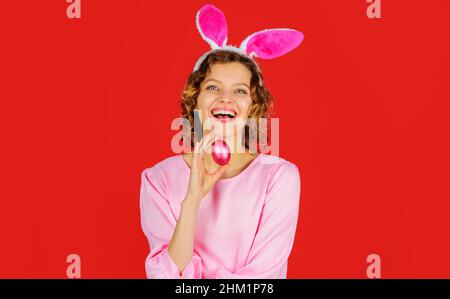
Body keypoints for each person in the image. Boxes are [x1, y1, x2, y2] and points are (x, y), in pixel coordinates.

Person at [139, 4, 304, 279]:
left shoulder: (279, 177)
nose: (225, 98)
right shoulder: (158, 179)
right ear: (195, 99)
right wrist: (192, 199)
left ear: (253, 106)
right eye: (213, 87)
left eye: (239, 91)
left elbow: (262, 279)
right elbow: (167, 277)